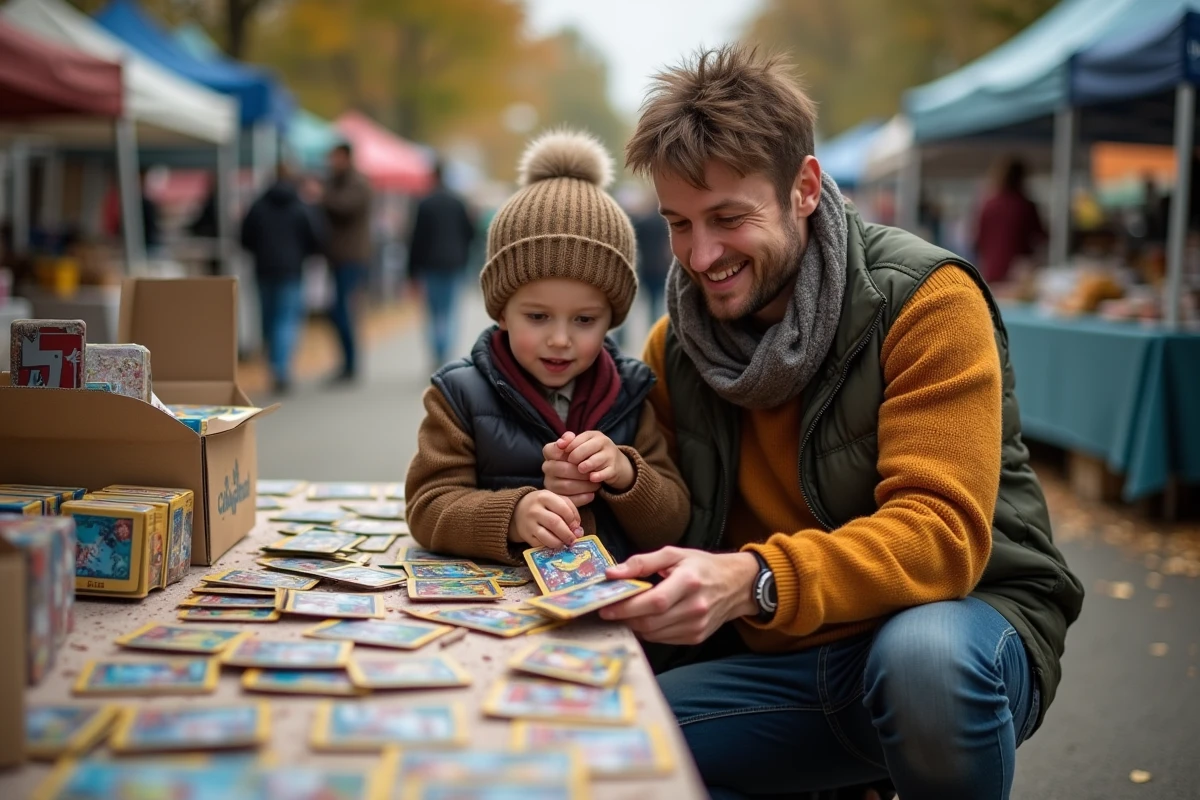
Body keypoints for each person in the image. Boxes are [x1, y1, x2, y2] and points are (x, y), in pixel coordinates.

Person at [597, 45, 1083, 800]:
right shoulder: (676, 347)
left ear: (805, 189)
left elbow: (939, 535)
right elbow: (673, 519)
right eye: (679, 224)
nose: (700, 255)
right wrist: (592, 489)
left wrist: (755, 579)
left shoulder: (925, 300)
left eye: (728, 218)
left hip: (956, 630)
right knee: (606, 741)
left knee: (923, 663)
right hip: (778, 662)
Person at [404, 129, 690, 567]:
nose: (560, 339)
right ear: (501, 312)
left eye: (584, 320)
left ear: (612, 317)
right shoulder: (459, 395)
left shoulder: (631, 393)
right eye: (537, 317)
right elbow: (428, 507)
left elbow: (673, 520)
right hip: (504, 616)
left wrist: (626, 473)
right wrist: (512, 515)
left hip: (611, 614)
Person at [239, 162, 323, 395]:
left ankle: (273, 365)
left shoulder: (258, 206)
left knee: (268, 319)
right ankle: (282, 368)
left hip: (264, 270)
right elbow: (315, 237)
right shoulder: (300, 206)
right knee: (286, 319)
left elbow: (244, 237)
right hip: (291, 270)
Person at [407, 159, 476, 368]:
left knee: (433, 311)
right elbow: (470, 232)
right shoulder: (458, 202)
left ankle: (437, 350)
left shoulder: (424, 203)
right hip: (454, 263)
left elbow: (416, 238)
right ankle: (445, 349)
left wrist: (411, 270)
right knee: (450, 310)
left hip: (430, 264)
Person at [321, 142, 373, 383]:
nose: (332, 162)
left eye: (335, 157)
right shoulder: (335, 181)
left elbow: (345, 207)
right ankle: (346, 361)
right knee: (337, 310)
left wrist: (322, 196)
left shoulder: (356, 183)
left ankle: (351, 363)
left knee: (343, 310)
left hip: (352, 257)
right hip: (338, 256)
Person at [974, 157, 1046, 282]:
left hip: (991, 270)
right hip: (1017, 273)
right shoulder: (1025, 206)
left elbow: (977, 241)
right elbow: (1042, 236)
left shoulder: (988, 205)